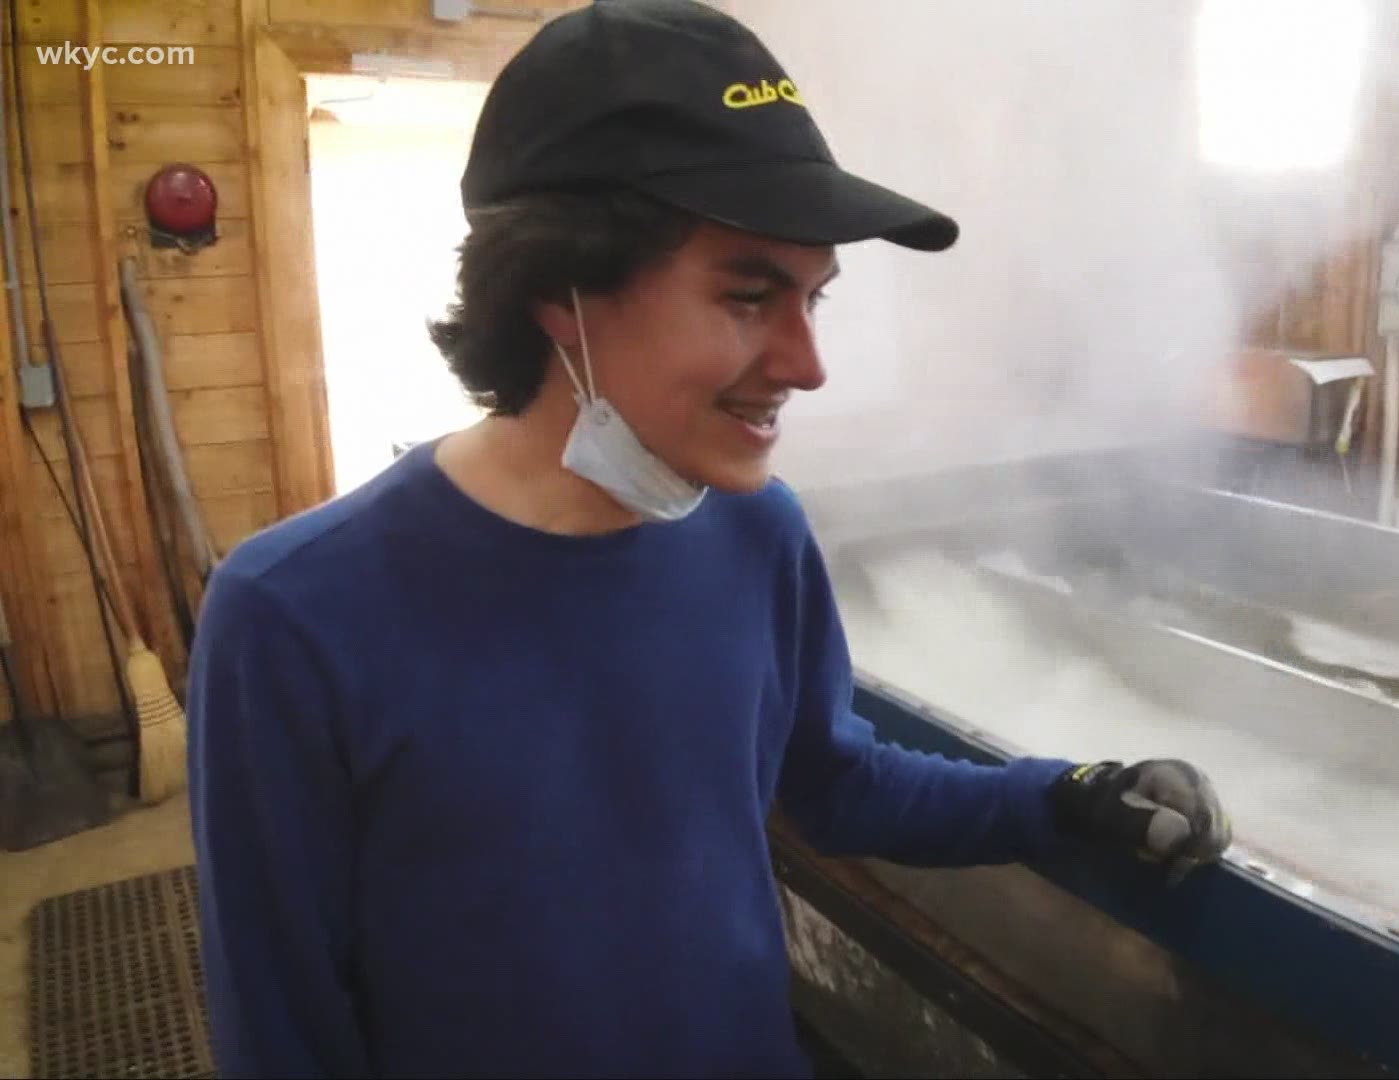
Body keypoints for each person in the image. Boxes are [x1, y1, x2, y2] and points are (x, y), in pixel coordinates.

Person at [185, 1, 1230, 1076]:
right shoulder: (295, 614)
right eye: (748, 295)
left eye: (815, 298)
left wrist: (1063, 798)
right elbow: (281, 1030)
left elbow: (836, 783)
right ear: (559, 288)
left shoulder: (753, 533)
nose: (809, 361)